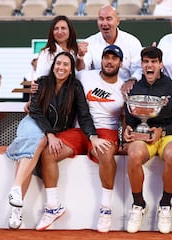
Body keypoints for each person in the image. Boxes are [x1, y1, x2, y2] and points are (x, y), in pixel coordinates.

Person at [6, 52, 109, 230]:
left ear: (71, 70)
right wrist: (50, 134)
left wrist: (93, 136)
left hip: (53, 130)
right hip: (34, 122)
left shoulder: (75, 87)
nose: (61, 67)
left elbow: (84, 116)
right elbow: (36, 110)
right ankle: (16, 192)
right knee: (36, 142)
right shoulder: (42, 82)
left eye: (66, 65)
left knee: (28, 155)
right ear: (53, 66)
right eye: (58, 64)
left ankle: (16, 204)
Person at [35, 45, 124, 232]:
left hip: (107, 131)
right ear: (101, 60)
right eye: (106, 57)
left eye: (114, 58)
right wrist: (33, 92)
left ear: (120, 63)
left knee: (106, 154)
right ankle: (53, 206)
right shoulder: (85, 76)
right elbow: (61, 74)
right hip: (81, 129)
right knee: (49, 152)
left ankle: (106, 210)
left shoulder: (124, 85)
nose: (109, 61)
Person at [123, 46, 172, 234]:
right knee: (134, 154)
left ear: (160, 64)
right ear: (142, 65)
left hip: (169, 133)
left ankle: (165, 205)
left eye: (153, 62)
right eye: (146, 62)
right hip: (143, 134)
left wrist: (163, 130)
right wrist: (127, 129)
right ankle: (138, 205)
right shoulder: (134, 88)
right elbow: (130, 119)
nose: (149, 65)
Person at [82, 5, 142, 83]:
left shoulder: (132, 42)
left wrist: (132, 80)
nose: (104, 23)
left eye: (108, 19)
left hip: (126, 88)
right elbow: (83, 71)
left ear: (117, 21)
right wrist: (80, 58)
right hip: (98, 88)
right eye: (101, 19)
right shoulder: (89, 42)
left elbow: (138, 69)